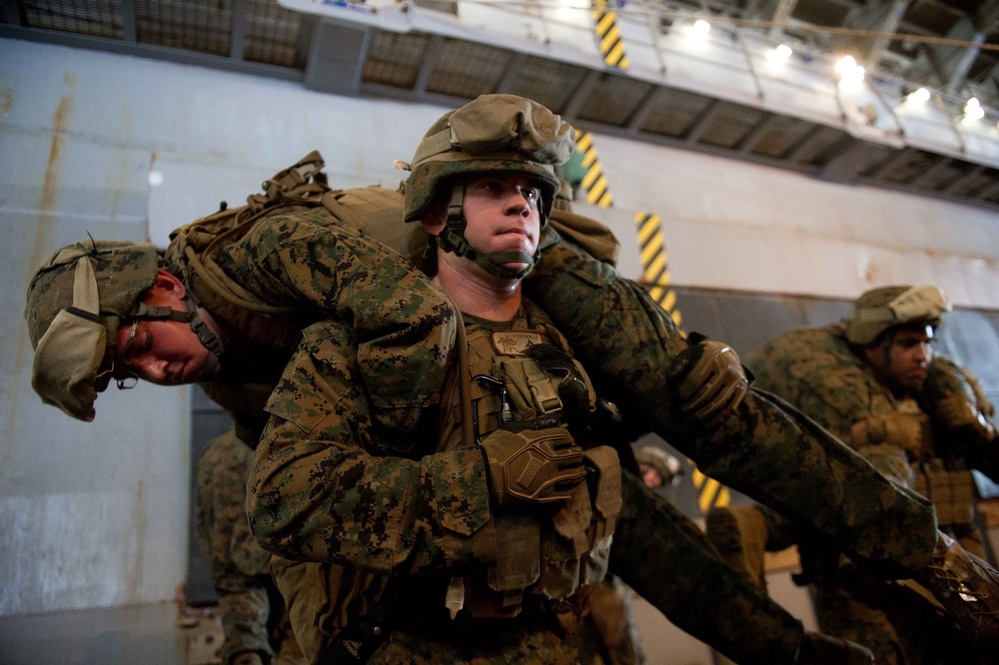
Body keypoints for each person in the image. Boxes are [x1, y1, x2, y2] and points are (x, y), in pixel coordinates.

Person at [21, 95, 995, 660]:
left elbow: (398, 313)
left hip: (503, 273)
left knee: (698, 406)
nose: (153, 369)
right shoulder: (231, 369)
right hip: (452, 367)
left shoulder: (251, 253)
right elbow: (291, 499)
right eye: (129, 376)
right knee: (607, 518)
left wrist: (463, 449)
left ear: (153, 282)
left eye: (136, 344)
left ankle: (915, 544)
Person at [725, 284, 999, 663]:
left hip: (945, 557)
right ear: (873, 345)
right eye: (908, 344)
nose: (923, 355)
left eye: (927, 342)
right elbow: (836, 473)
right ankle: (760, 524)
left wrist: (974, 423)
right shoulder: (831, 377)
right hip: (867, 579)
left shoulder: (934, 384)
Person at [196, 429, 304, 665]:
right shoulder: (296, 445)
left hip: (229, 549)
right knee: (298, 603)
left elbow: (205, 525)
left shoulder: (215, 450)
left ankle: (246, 654)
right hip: (285, 558)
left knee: (236, 584)